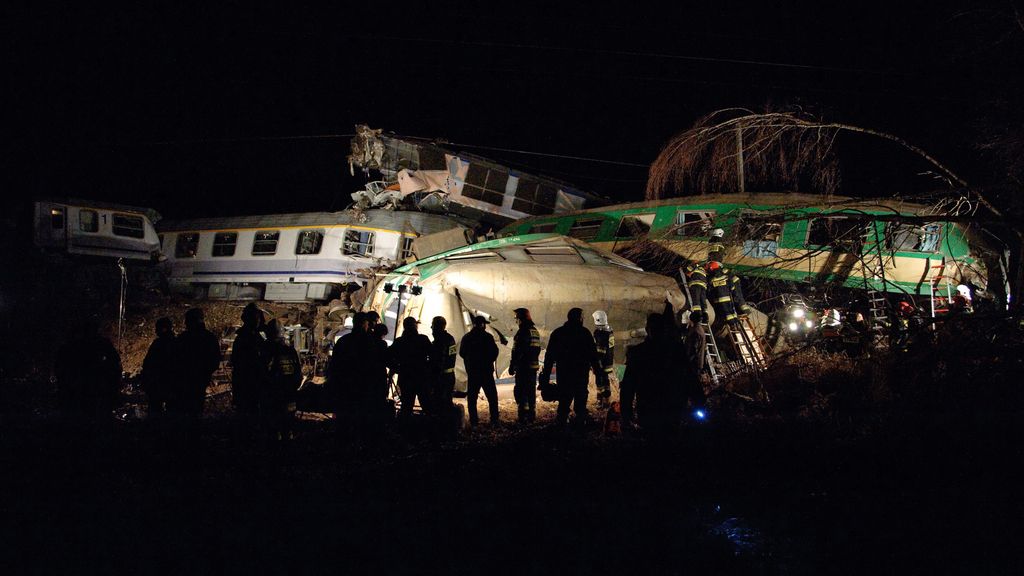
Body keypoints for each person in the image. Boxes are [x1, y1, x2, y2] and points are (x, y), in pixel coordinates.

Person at [620, 313, 705, 438]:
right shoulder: (675, 350)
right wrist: (699, 401)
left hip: (653, 410)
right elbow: (690, 377)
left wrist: (626, 413)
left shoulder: (639, 353)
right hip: (668, 409)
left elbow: (628, 386)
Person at [540, 308, 600, 429]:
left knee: (564, 398)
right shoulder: (585, 333)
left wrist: (545, 377)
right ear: (580, 318)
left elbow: (549, 357)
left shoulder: (558, 333)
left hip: (564, 373)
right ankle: (580, 425)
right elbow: (593, 355)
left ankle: (562, 424)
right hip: (581, 373)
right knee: (581, 398)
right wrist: (598, 371)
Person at [54, 318, 122, 424]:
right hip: (87, 382)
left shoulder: (76, 344)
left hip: (89, 382)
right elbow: (114, 361)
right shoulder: (82, 344)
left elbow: (114, 361)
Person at [169, 308, 222, 441]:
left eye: (187, 321)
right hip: (198, 382)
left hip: (185, 383)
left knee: (183, 414)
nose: (185, 323)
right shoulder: (209, 338)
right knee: (194, 414)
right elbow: (215, 361)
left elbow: (174, 360)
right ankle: (193, 441)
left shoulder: (184, 338)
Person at [262, 319, 302, 441]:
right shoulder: (290, 350)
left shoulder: (265, 350)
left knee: (272, 427)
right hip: (289, 393)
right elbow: (298, 373)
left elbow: (262, 372)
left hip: (272, 394)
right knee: (287, 424)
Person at [388, 316, 434, 420]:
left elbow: (387, 356)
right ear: (415, 326)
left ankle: (405, 430)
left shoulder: (399, 342)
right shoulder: (423, 339)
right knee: (427, 405)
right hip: (421, 377)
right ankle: (432, 429)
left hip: (406, 377)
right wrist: (428, 368)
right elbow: (433, 356)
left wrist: (396, 368)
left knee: (407, 405)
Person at [230, 304, 266, 433]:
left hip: (245, 381)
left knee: (246, 412)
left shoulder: (246, 337)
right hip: (249, 381)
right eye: (257, 319)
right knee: (249, 412)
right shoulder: (251, 338)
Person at [459, 315, 500, 426]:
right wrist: (488, 361)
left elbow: (462, 353)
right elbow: (495, 352)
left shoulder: (467, 337)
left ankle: (474, 421)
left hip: (473, 372)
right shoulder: (488, 337)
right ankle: (494, 420)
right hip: (486, 372)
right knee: (492, 397)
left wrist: (471, 362)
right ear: (483, 325)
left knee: (472, 399)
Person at [510, 307, 541, 424]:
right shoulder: (534, 331)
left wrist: (513, 365)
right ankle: (531, 416)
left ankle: (523, 416)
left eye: (516, 318)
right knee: (530, 392)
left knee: (521, 392)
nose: (516, 321)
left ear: (521, 319)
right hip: (533, 368)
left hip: (523, 368)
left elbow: (518, 350)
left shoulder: (523, 332)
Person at [141, 317, 176, 419]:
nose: (156, 331)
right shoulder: (176, 342)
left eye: (157, 328)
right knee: (171, 411)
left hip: (159, 383)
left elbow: (147, 363)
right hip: (171, 383)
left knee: (155, 411)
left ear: (163, 329)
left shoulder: (159, 344)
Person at [429, 316, 458, 411]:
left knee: (440, 403)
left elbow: (439, 361)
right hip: (449, 376)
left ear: (437, 326)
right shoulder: (450, 339)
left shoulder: (440, 342)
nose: (431, 327)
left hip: (441, 378)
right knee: (446, 401)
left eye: (433, 325)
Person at [592, 310, 615, 409]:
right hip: (608, 362)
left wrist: (596, 364)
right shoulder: (610, 331)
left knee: (599, 382)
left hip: (601, 363)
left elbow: (600, 350)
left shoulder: (600, 333)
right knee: (606, 381)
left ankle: (600, 401)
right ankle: (607, 401)